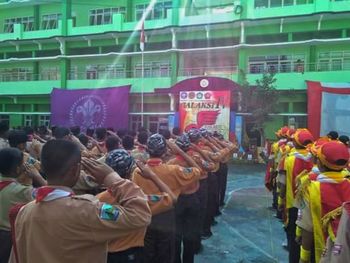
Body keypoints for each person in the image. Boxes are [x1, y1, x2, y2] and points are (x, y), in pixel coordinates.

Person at [9, 139, 152, 263]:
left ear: (43, 168)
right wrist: (113, 178)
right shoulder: (88, 210)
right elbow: (140, 215)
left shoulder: (24, 213)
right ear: (75, 170)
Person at [97, 149, 177, 263]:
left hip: (106, 255)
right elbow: (172, 199)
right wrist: (152, 176)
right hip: (132, 255)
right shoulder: (140, 199)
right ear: (130, 172)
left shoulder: (97, 200)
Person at [132, 134, 201, 263]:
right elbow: (197, 170)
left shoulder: (137, 172)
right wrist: (180, 151)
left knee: (147, 253)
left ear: (147, 150)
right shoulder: (173, 170)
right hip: (167, 216)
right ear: (165, 151)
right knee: (166, 252)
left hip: (145, 215)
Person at [296, 141, 350, 263]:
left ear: (319, 163)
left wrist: (304, 257)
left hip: (321, 251)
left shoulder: (311, 188)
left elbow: (307, 228)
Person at [0, 148, 46, 263]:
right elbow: (52, 192)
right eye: (22, 164)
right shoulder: (22, 192)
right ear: (17, 169)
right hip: (8, 238)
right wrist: (37, 176)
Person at [167, 134, 204, 263]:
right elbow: (201, 172)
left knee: (176, 236)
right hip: (192, 199)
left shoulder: (171, 164)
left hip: (178, 201)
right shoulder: (196, 159)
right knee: (190, 235)